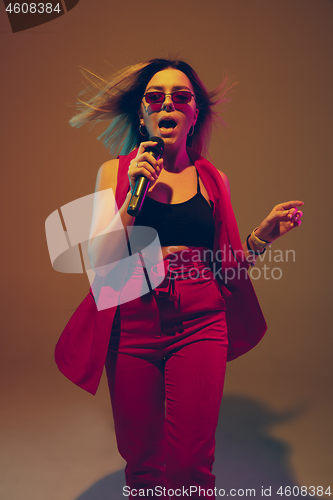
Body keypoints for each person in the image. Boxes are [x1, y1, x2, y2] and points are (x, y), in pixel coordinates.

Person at [55, 59, 303, 499]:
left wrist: (260, 238)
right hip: (132, 320)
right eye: (155, 96)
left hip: (201, 321)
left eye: (181, 96)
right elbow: (101, 267)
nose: (167, 103)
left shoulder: (214, 181)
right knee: (143, 465)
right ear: (142, 113)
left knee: (191, 464)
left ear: (194, 114)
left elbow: (228, 273)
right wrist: (133, 198)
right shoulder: (115, 174)